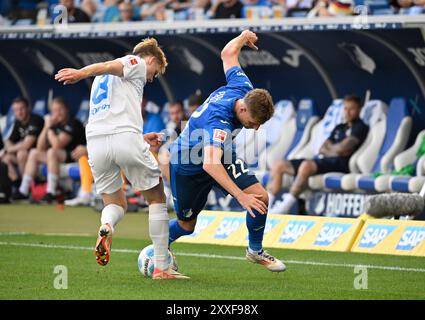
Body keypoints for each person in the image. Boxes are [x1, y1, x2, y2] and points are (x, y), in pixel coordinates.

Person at [54, 37, 188, 279]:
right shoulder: (134, 61)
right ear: (151, 60)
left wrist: (140, 137)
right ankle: (161, 266)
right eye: (155, 72)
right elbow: (108, 65)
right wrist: (79, 73)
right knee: (157, 195)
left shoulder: (100, 82)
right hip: (123, 138)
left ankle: (107, 226)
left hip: (96, 142)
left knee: (115, 203)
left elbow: (113, 111)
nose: (151, 78)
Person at [168, 30, 286, 273]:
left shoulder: (243, 87)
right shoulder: (219, 121)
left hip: (217, 153)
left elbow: (228, 53)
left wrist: (243, 36)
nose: (255, 129)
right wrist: (240, 197)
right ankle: (160, 246)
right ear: (242, 110)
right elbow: (209, 165)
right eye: (253, 123)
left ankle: (255, 250)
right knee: (187, 225)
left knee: (261, 197)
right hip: (188, 162)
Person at [267, 95, 369, 214]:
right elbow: (322, 148)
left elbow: (343, 148)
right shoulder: (339, 127)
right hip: (326, 161)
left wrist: (333, 149)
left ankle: (285, 205)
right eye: (345, 108)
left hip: (341, 164)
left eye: (351, 109)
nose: (348, 112)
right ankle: (266, 206)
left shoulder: (360, 127)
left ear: (359, 109)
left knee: (306, 165)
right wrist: (335, 150)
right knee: (278, 165)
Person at [11, 97, 86, 203]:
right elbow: (40, 147)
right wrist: (46, 127)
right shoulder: (55, 125)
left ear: (66, 110)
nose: (57, 113)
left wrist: (50, 128)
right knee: (34, 153)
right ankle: (23, 190)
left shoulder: (73, 122)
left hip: (77, 156)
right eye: (54, 111)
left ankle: (51, 191)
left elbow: (57, 145)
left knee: (52, 152)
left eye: (60, 109)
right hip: (58, 157)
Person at [0, 97, 44, 193]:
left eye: (21, 109)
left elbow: (27, 145)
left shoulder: (36, 120)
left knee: (21, 153)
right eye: (16, 110)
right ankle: (17, 183)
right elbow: (8, 141)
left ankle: (27, 189)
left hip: (38, 157)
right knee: (6, 158)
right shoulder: (18, 122)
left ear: (28, 108)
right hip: (25, 159)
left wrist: (8, 150)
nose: (19, 112)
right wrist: (9, 149)